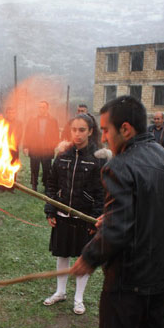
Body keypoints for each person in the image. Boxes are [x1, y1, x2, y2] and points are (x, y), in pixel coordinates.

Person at [70, 95, 164, 328]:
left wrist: (90, 256)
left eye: (106, 130)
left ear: (126, 129)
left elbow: (120, 228)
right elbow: (153, 214)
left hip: (127, 280)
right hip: (162, 275)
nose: (104, 137)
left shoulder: (119, 166)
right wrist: (110, 218)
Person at [43, 114, 105, 315]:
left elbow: (101, 192)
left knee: (82, 256)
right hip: (62, 213)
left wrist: (94, 218)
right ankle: (60, 292)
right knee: (62, 253)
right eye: (74, 130)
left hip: (84, 216)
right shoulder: (62, 155)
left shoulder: (97, 158)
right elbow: (51, 183)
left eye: (82, 130)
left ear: (90, 131)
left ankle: (79, 298)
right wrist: (51, 209)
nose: (77, 134)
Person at [22, 101, 60, 192]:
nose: (41, 109)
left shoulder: (53, 120)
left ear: (47, 108)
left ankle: (47, 186)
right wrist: (25, 146)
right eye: (39, 107)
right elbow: (27, 133)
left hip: (47, 149)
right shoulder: (32, 119)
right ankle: (34, 185)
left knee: (47, 169)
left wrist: (53, 145)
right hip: (34, 148)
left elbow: (56, 134)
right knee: (34, 168)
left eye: (43, 107)